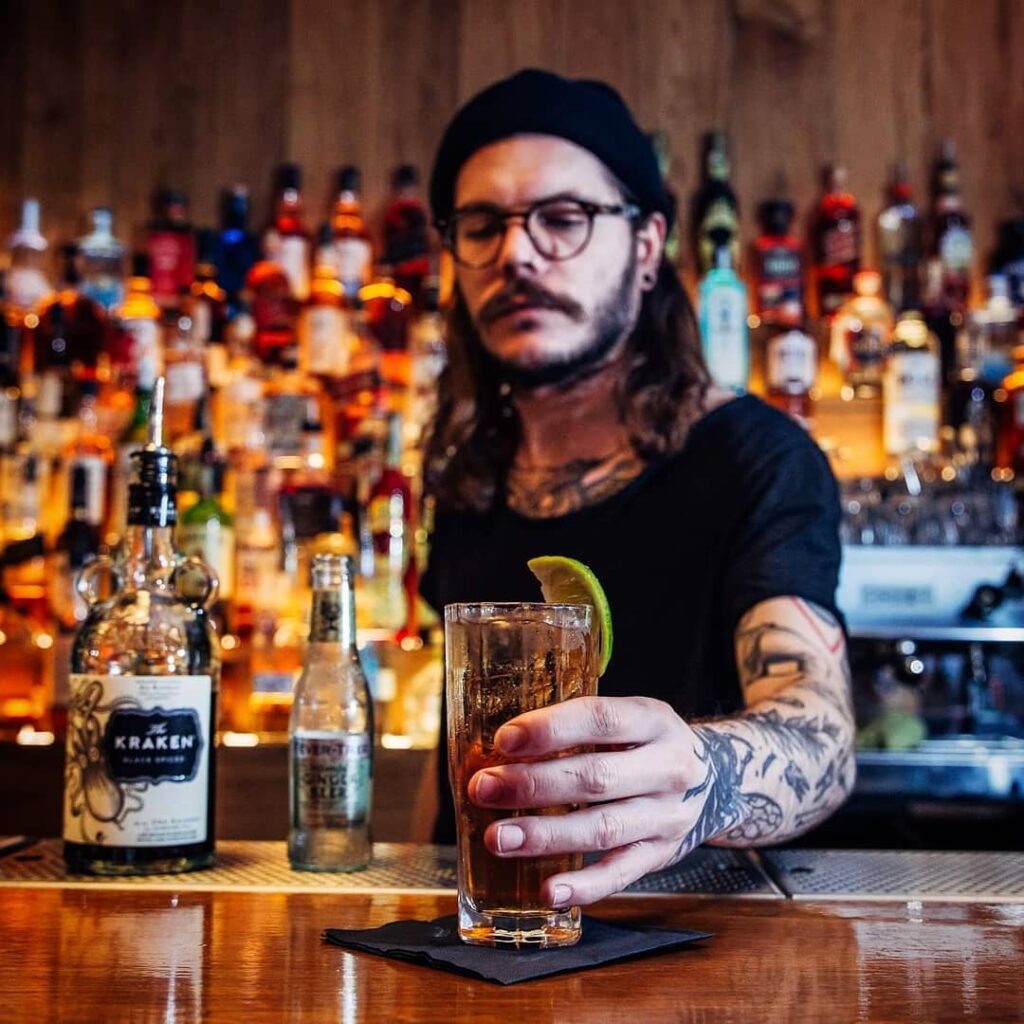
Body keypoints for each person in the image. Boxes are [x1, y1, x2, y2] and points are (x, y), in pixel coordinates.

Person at [420, 69, 854, 907]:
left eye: (563, 218)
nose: (516, 252)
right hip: (482, 943)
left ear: (647, 246)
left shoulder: (755, 456)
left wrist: (707, 777)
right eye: (482, 226)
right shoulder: (466, 481)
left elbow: (825, 738)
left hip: (696, 954)